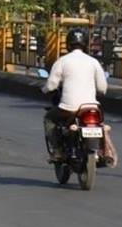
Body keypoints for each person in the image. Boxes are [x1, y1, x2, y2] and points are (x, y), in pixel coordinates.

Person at [42, 27, 107, 160]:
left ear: (68, 44)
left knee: (49, 119)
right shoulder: (93, 62)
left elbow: (52, 85)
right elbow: (102, 88)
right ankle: (100, 151)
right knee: (101, 124)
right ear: (85, 44)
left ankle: (58, 150)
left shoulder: (63, 61)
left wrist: (43, 90)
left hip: (69, 107)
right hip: (91, 106)